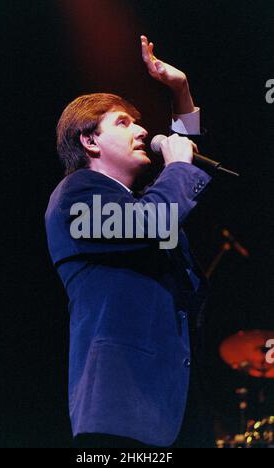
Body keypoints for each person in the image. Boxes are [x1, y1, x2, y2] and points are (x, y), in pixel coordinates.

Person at [45, 36, 213, 448]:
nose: (141, 130)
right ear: (89, 141)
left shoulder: (135, 204)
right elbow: (158, 217)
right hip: (122, 406)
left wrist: (180, 91)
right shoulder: (74, 196)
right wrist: (175, 165)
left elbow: (176, 179)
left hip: (170, 402)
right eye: (122, 122)